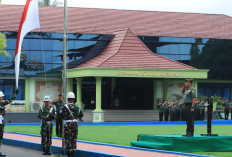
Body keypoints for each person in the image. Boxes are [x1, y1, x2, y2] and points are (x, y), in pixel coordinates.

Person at [60, 92, 83, 157]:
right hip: (75, 124)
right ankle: (73, 152)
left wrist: (66, 117)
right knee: (74, 138)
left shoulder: (65, 107)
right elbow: (81, 115)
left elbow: (61, 115)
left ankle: (68, 153)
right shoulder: (78, 107)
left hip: (68, 124)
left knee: (68, 138)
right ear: (74, 99)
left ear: (67, 99)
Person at [0, 90, 17, 156]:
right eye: (2, 97)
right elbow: (9, 100)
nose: (2, 98)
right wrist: (15, 94)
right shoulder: (1, 103)